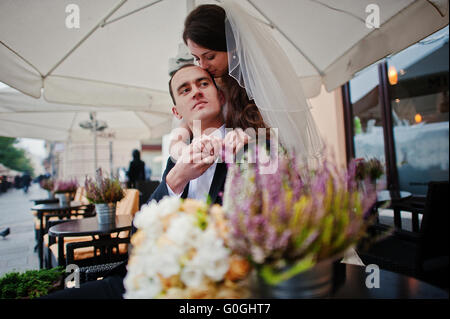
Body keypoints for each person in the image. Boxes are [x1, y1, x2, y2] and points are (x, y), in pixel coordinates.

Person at [42, 64, 243, 299]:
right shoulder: (176, 160)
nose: (196, 92)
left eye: (203, 84)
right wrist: (176, 179)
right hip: (139, 281)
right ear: (177, 112)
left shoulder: (245, 147)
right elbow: (139, 233)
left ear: (220, 95)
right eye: (185, 90)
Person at [180, 1, 323, 160]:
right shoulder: (211, 85)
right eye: (197, 59)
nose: (203, 66)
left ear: (231, 45)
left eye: (210, 57)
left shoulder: (262, 85)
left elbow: (277, 151)